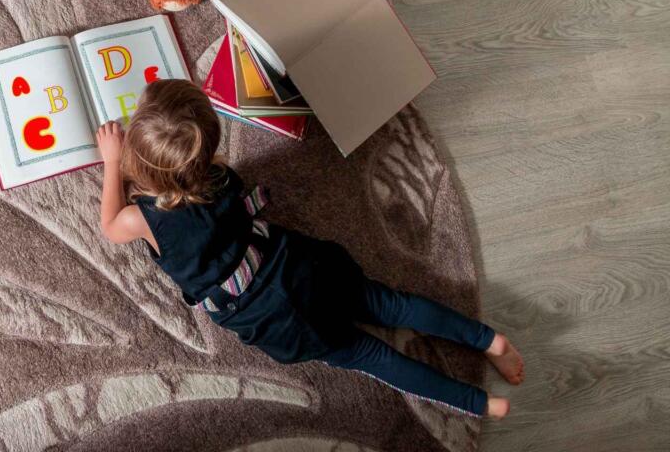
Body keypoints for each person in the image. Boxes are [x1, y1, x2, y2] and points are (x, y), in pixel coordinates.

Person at [95, 79, 524, 418]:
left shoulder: (142, 218)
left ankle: (481, 405)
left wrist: (112, 162)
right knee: (392, 305)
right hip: (302, 267)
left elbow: (110, 226)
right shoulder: (222, 176)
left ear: (144, 165)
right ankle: (490, 341)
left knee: (372, 355)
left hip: (277, 321)